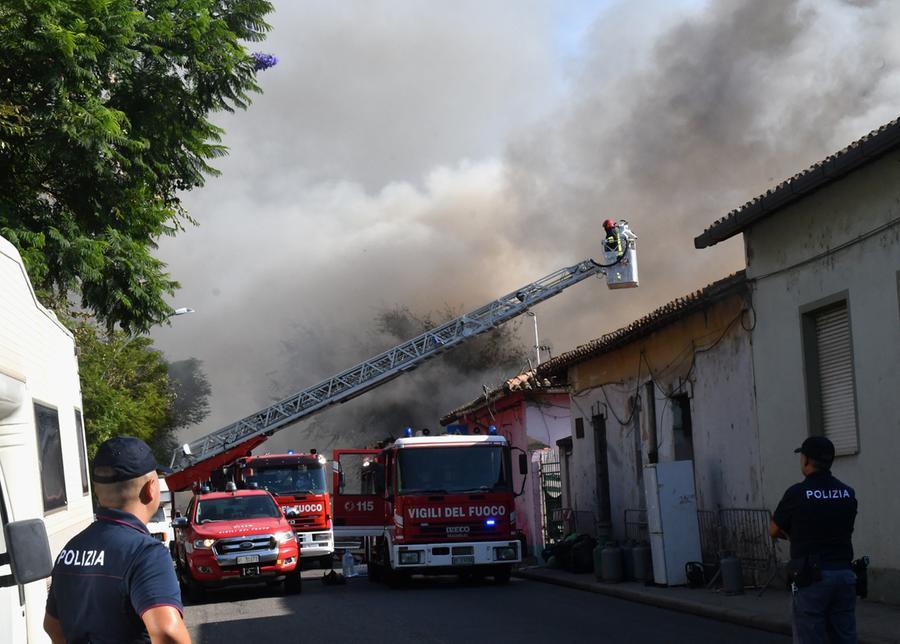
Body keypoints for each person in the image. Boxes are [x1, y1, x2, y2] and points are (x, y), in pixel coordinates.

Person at [43, 436, 191, 644]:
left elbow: (52, 627)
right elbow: (168, 633)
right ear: (151, 488)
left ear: (96, 491)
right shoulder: (145, 553)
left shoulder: (71, 550)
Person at [769, 436, 858, 644]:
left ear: (806, 460)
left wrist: (792, 535)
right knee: (844, 636)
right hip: (844, 574)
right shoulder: (847, 492)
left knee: (809, 636)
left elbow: (773, 529)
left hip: (812, 577)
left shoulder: (797, 493)